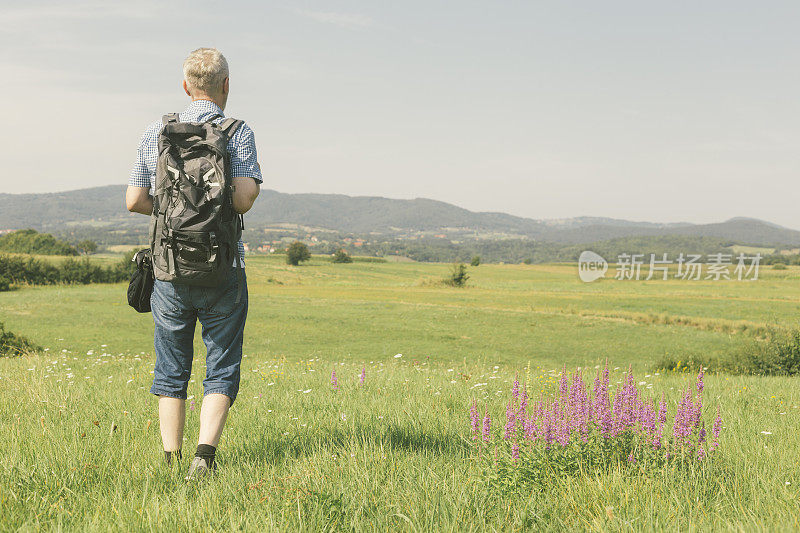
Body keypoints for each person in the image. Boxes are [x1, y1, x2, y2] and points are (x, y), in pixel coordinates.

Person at [125, 47, 261, 480]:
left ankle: (170, 458)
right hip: (223, 266)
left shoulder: (157, 131)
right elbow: (243, 197)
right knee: (221, 363)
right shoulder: (238, 131)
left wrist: (172, 215)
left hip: (168, 268)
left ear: (186, 86)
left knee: (171, 365)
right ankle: (205, 456)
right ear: (226, 85)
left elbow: (134, 200)